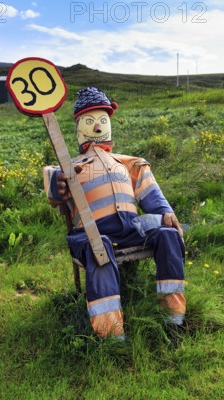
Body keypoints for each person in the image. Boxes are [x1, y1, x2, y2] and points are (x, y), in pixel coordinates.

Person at [44, 87, 186, 340]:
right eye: (90, 122)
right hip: (90, 232)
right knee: (99, 247)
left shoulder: (129, 163)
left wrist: (166, 213)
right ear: (78, 127)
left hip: (132, 226)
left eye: (102, 121)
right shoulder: (69, 167)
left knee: (168, 234)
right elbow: (54, 190)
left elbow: (151, 195)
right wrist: (59, 181)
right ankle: (111, 335)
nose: (97, 128)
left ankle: (173, 318)